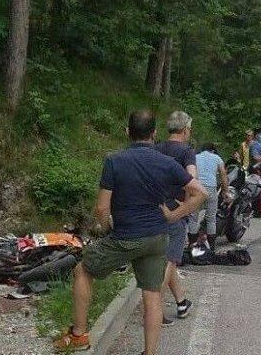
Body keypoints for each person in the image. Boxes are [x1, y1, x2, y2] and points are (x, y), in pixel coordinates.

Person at [53, 110, 206, 354]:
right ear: (154, 134)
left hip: (126, 237)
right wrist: (174, 215)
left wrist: (104, 228)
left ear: (127, 132)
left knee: (83, 270)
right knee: (152, 293)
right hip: (157, 237)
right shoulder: (167, 163)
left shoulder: (115, 161)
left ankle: (79, 335)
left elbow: (102, 207)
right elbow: (201, 193)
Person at [153, 111, 198, 322]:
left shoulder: (157, 147)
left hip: (156, 208)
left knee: (168, 260)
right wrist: (187, 204)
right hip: (175, 211)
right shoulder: (186, 151)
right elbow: (192, 180)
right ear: (185, 129)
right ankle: (155, 311)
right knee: (170, 260)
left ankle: (181, 303)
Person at [190, 143, 229, 248]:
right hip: (211, 189)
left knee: (193, 218)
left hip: (196, 188)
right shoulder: (217, 158)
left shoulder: (195, 157)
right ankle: (211, 247)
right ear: (212, 150)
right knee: (211, 219)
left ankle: (191, 246)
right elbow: (223, 174)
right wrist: (225, 191)